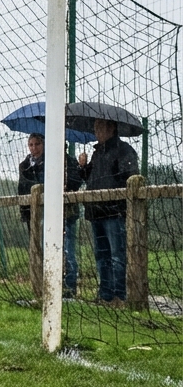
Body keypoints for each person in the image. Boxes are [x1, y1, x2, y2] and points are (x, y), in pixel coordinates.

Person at [17, 132, 85, 297]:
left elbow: (75, 183)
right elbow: (23, 188)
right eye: (31, 145)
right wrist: (25, 213)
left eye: (37, 144)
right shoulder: (25, 165)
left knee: (66, 251)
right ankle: (44, 287)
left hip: (64, 213)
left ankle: (69, 289)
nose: (34, 148)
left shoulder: (63, 160)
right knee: (40, 250)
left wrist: (81, 168)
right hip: (37, 215)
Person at [78, 119, 138, 303]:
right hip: (96, 210)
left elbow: (129, 176)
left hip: (114, 210)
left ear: (111, 128)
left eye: (100, 127)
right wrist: (83, 166)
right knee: (102, 254)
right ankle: (105, 294)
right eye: (95, 127)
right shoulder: (97, 153)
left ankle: (120, 295)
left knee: (117, 255)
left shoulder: (124, 150)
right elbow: (90, 179)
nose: (96, 131)